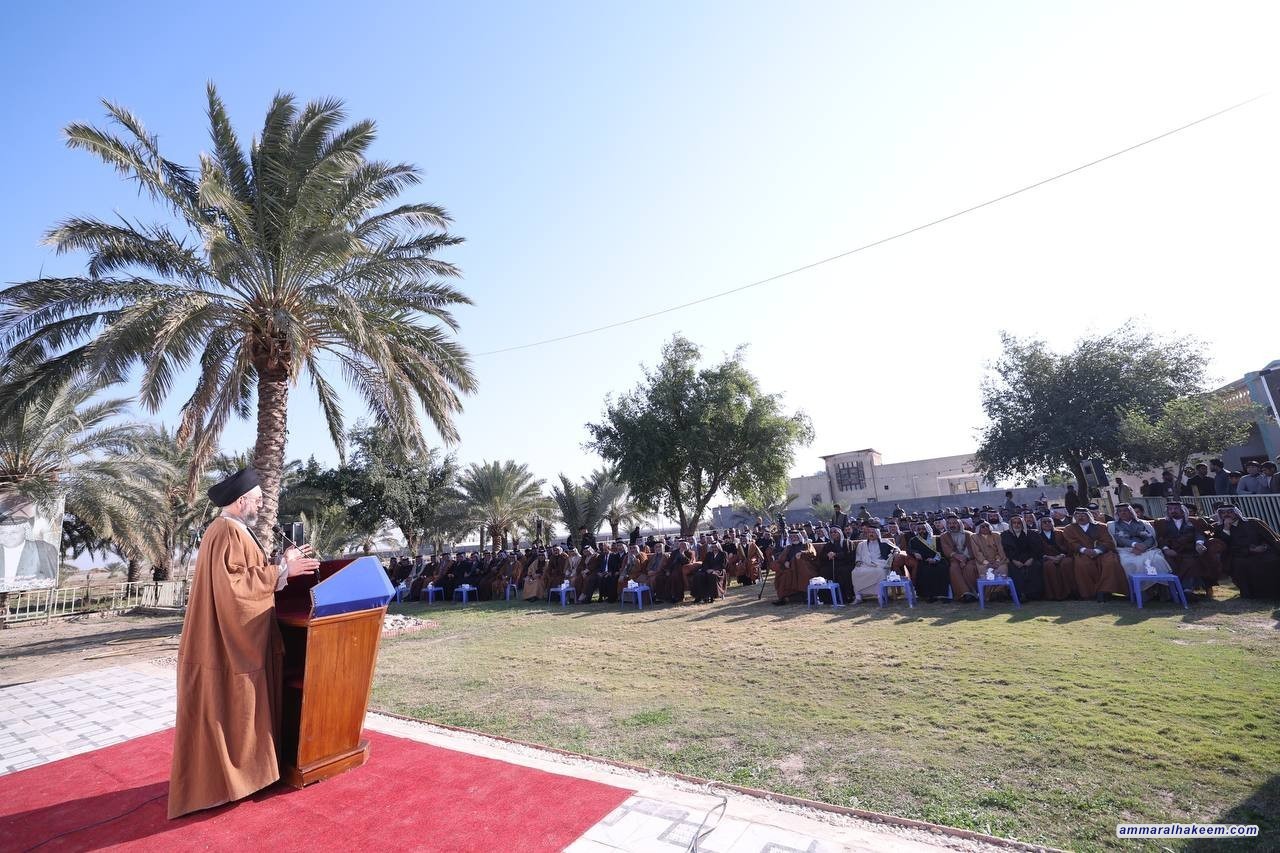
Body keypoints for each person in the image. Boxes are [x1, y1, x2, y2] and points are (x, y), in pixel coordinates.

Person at [168, 467, 320, 819]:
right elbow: (235, 588)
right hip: (228, 643)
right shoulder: (226, 532)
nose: (260, 504)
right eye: (256, 499)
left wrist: (285, 564)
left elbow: (245, 575)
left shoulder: (234, 531)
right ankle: (234, 779)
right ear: (240, 502)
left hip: (234, 636)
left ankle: (251, 775)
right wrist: (283, 571)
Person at [1207, 504, 1280, 599]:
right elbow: (1224, 547)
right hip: (1238, 555)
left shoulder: (1253, 522)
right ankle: (1253, 594)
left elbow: (1271, 538)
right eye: (1223, 513)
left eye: (1229, 512)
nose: (1226, 515)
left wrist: (1264, 546)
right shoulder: (1218, 528)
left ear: (1236, 513)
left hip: (1263, 551)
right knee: (1243, 564)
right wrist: (1226, 529)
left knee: (1273, 559)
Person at [1060, 507, 1126, 601]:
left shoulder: (1101, 527)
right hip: (1082, 553)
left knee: (1110, 562)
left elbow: (1108, 541)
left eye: (1083, 515)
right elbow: (1071, 543)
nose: (1080, 517)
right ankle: (1090, 593)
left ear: (1088, 516)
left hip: (1102, 552)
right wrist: (1084, 550)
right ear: (1074, 516)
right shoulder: (1069, 529)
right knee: (1083, 564)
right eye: (1078, 515)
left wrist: (1097, 551)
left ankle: (1106, 591)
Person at [1152, 501, 1212, 595]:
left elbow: (1199, 534)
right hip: (1171, 551)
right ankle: (1171, 591)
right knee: (1168, 562)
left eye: (1175, 509)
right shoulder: (1162, 523)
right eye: (1170, 509)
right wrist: (1166, 549)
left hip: (1188, 550)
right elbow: (1160, 538)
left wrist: (1199, 544)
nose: (1173, 511)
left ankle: (1187, 590)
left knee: (1190, 562)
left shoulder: (1193, 522)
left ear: (1183, 510)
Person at [1109, 504, 1172, 593]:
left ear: (1131, 512)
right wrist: (1134, 545)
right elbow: (1118, 539)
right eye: (1120, 511)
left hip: (1145, 549)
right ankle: (1139, 592)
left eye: (1125, 510)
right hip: (1125, 551)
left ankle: (1161, 591)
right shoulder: (1112, 525)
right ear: (1117, 513)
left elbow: (1150, 537)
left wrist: (1144, 546)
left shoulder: (1142, 523)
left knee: (1158, 560)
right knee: (1129, 563)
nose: (1123, 513)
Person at [0, 495, 60, 590]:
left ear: (25, 530)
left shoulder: (43, 549)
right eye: (3, 533)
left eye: (14, 532)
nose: (8, 536)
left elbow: (51, 578)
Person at [850, 523, 898, 604]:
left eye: (873, 532)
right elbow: (858, 555)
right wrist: (858, 561)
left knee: (880, 571)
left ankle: (880, 594)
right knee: (855, 572)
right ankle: (858, 596)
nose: (871, 534)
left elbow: (896, 549)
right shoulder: (862, 544)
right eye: (869, 532)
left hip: (880, 564)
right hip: (865, 564)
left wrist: (896, 553)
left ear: (877, 533)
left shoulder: (885, 542)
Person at [1000, 515, 1044, 601]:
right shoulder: (1004, 535)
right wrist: (1013, 560)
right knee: (1012, 569)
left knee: (1036, 566)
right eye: (1014, 523)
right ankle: (1018, 595)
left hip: (1031, 559)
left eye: (1019, 523)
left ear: (1022, 524)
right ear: (1011, 524)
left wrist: (1031, 559)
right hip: (1013, 560)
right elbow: (1005, 550)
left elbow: (1037, 548)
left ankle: (1033, 594)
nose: (1016, 525)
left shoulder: (1032, 534)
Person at [904, 521, 950, 600]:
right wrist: (915, 553)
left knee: (942, 568)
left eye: (923, 529)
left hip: (938, 560)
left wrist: (935, 559)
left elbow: (941, 551)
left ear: (928, 529)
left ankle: (943, 594)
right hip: (924, 561)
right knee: (926, 570)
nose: (921, 531)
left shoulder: (937, 538)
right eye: (919, 529)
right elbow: (910, 550)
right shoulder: (914, 540)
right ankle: (928, 595)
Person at [938, 515, 979, 602]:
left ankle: (974, 593)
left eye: (954, 523)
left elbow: (972, 549)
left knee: (969, 568)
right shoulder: (944, 536)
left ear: (959, 524)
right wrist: (960, 558)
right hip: (954, 559)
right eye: (949, 523)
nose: (952, 525)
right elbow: (947, 550)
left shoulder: (969, 534)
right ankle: (964, 593)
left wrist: (965, 558)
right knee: (954, 568)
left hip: (969, 559)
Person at [770, 532, 817, 605]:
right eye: (791, 537)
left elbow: (812, 553)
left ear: (799, 537)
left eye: (795, 536)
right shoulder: (788, 548)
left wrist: (802, 553)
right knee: (782, 573)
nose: (793, 538)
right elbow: (782, 558)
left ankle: (804, 596)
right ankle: (784, 597)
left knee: (801, 566)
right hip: (790, 568)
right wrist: (786, 561)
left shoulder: (806, 545)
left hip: (804, 567)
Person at [1036, 516, 1077, 600]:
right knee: (1049, 567)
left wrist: (1061, 555)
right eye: (1044, 522)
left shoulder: (1060, 533)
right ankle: (1055, 595)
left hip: (1063, 556)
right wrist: (1049, 557)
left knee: (1067, 564)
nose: (1047, 524)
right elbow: (1037, 551)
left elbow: (1068, 546)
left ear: (1053, 523)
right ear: (1040, 524)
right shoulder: (1037, 536)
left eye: (1049, 521)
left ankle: (1072, 592)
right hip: (1047, 558)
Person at [820, 527, 857, 603]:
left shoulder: (847, 542)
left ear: (840, 533)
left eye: (835, 532)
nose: (833, 534)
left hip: (845, 565)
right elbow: (822, 556)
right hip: (831, 565)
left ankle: (847, 596)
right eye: (831, 532)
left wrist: (836, 555)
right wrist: (828, 555)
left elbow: (849, 555)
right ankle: (828, 598)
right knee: (824, 571)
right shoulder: (828, 544)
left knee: (844, 571)